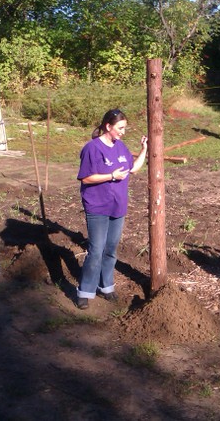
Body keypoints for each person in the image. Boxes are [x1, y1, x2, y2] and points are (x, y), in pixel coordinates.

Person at [75, 109, 148, 309]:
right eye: (120, 128)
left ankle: (106, 287)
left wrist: (144, 150)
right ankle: (85, 291)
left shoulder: (120, 147)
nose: (123, 132)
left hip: (118, 206)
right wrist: (111, 176)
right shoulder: (92, 148)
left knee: (110, 250)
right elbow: (86, 178)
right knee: (96, 250)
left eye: (125, 128)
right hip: (98, 206)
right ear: (108, 126)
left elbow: (132, 168)